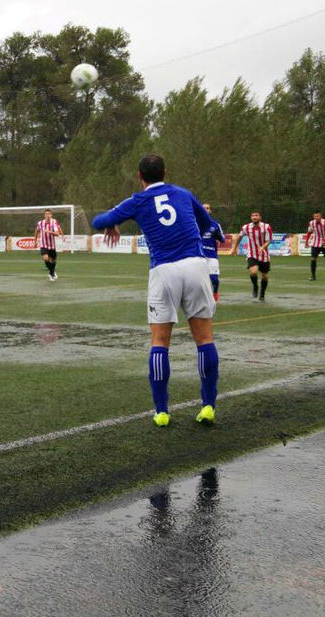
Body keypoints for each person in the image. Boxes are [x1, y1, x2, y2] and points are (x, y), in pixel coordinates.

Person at [91, 155, 219, 427]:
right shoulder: (183, 193)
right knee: (205, 339)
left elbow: (97, 221)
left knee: (160, 342)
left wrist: (113, 222)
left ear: (140, 176)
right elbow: (208, 224)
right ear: (165, 172)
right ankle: (208, 405)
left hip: (163, 270)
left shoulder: (137, 201)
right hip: (196, 265)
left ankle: (162, 412)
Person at [231, 211, 273, 300]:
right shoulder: (246, 227)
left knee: (264, 275)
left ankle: (262, 293)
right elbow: (239, 237)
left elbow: (268, 240)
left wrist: (262, 247)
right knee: (253, 272)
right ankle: (255, 286)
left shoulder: (266, 227)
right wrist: (234, 248)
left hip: (264, 255)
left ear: (260, 217)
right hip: (252, 253)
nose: (254, 217)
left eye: (256, 215)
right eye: (252, 215)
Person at [200, 204, 225, 301]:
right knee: (197, 280)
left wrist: (217, 235)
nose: (205, 210)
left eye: (207, 208)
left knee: (214, 278)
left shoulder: (215, 225)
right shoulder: (194, 223)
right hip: (198, 255)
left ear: (210, 211)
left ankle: (215, 292)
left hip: (211, 255)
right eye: (203, 208)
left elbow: (222, 239)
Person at [304, 210, 325, 281]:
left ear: (320, 216)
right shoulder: (311, 223)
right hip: (315, 243)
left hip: (324, 244)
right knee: (313, 259)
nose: (316, 217)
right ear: (313, 216)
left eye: (318, 216)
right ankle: (313, 276)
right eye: (315, 216)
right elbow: (309, 232)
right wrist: (306, 242)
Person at [34, 208, 63, 281]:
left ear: (51, 215)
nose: (48, 215)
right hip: (43, 245)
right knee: (46, 258)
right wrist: (35, 241)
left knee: (53, 261)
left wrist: (49, 232)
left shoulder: (54, 222)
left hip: (52, 245)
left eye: (49, 214)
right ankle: (52, 273)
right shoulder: (40, 223)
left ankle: (51, 272)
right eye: (46, 214)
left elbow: (57, 234)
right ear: (44, 215)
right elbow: (37, 231)